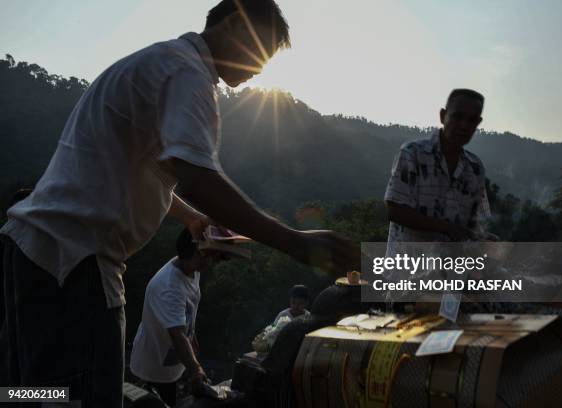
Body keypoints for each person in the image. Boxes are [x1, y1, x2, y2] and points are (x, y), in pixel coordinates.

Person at [0, 1, 358, 406]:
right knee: (87, 397)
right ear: (234, 26)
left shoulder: (161, 61)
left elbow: (146, 167)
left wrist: (189, 215)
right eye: (260, 52)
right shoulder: (188, 73)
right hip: (78, 262)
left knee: (34, 391)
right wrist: (296, 242)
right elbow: (198, 178)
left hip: (33, 248)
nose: (261, 68)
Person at [130, 229, 226, 407]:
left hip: (173, 363)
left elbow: (188, 311)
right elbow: (177, 335)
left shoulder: (191, 269)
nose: (211, 259)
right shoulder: (169, 287)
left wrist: (193, 338)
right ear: (194, 252)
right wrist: (195, 369)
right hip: (153, 368)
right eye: (207, 254)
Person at [385, 88, 492, 245]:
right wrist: (448, 228)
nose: (464, 125)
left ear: (478, 123)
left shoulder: (475, 168)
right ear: (442, 116)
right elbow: (394, 210)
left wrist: (480, 239)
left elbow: (475, 222)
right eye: (458, 116)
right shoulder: (412, 154)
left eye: (471, 120)